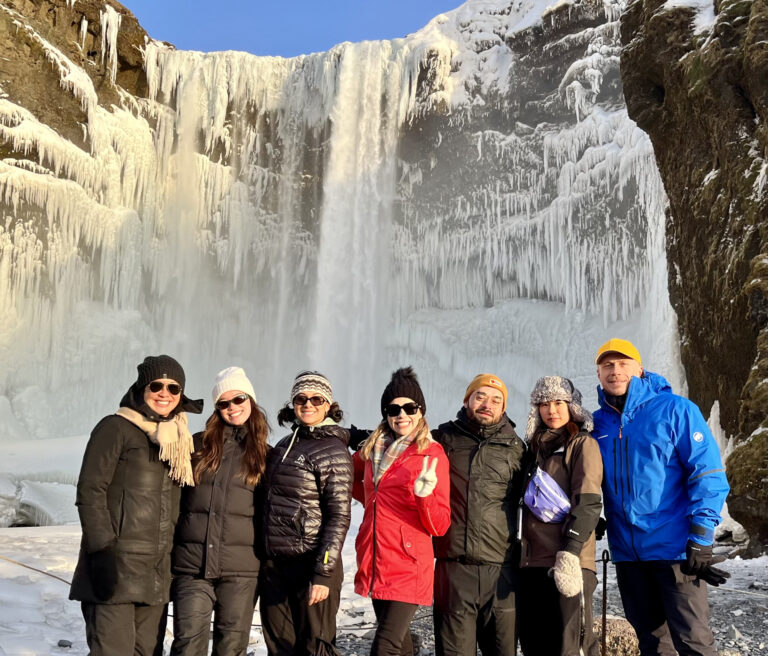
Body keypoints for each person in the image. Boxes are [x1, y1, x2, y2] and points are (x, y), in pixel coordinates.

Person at [592, 338, 731, 656]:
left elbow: (707, 473)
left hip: (676, 551)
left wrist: (701, 536)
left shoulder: (676, 410)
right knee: (652, 644)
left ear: (639, 369)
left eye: (623, 363)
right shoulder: (597, 424)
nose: (616, 371)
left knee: (694, 642)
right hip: (628, 556)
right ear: (599, 374)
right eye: (607, 366)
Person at [69, 355, 203, 656]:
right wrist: (101, 552)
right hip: (115, 565)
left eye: (174, 388)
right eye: (157, 385)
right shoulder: (114, 428)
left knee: (147, 652)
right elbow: (90, 491)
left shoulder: (179, 440)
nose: (165, 393)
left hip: (156, 570)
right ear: (142, 387)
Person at [170, 366, 270, 655]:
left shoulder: (265, 454)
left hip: (241, 571)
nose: (232, 408)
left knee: (231, 648)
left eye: (238, 399)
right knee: (187, 643)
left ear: (250, 400)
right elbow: (172, 500)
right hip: (192, 567)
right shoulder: (195, 446)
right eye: (224, 403)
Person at [353, 367, 451, 656]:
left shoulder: (432, 454)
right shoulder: (371, 450)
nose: (401, 415)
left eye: (410, 407)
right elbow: (353, 484)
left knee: (384, 647)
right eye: (393, 409)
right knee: (400, 644)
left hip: (408, 564)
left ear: (421, 411)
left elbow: (440, 525)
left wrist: (423, 497)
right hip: (375, 558)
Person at [260, 371, 354, 656]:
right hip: (276, 566)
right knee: (279, 646)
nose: (308, 404)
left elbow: (339, 516)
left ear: (328, 405)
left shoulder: (334, 451)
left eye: (316, 398)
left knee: (315, 646)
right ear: (293, 404)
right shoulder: (282, 445)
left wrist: (323, 574)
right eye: (301, 398)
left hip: (311, 564)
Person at [431, 374, 526, 656]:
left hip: (502, 569)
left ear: (504, 407)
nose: (488, 404)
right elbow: (402, 439)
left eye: (496, 400)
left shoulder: (517, 448)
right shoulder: (442, 439)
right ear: (467, 400)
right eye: (480, 397)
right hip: (454, 567)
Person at [518, 376, 603, 656]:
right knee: (535, 644)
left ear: (572, 407)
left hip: (569, 561)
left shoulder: (581, 444)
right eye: (544, 403)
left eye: (558, 403)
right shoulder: (533, 450)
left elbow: (588, 501)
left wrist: (571, 552)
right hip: (532, 562)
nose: (551, 410)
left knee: (571, 647)